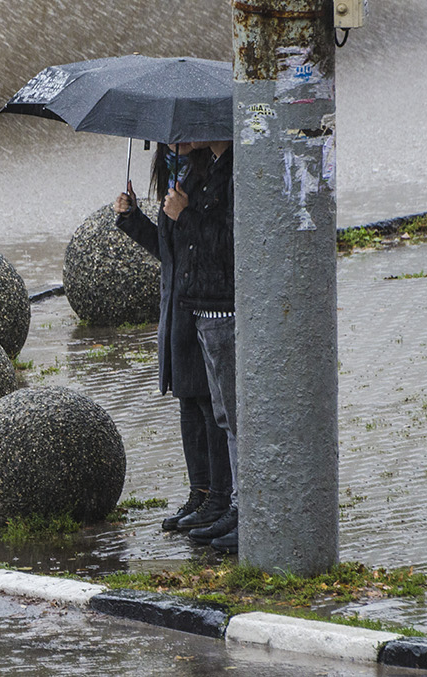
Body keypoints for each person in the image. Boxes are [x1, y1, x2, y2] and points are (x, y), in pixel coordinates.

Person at [114, 143, 231, 535]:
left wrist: (185, 214)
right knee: (189, 402)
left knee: (210, 406)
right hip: (178, 305)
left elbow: (213, 243)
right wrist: (133, 219)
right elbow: (170, 250)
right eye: (167, 141)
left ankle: (220, 495)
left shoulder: (207, 177)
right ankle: (200, 492)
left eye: (178, 138)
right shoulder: (174, 175)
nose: (173, 144)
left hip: (203, 303)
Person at [168, 140, 238, 554]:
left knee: (231, 417)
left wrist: (187, 213)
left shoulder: (229, 172)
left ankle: (236, 506)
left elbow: (226, 241)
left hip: (221, 309)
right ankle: (222, 501)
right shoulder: (205, 168)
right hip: (201, 307)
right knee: (222, 414)